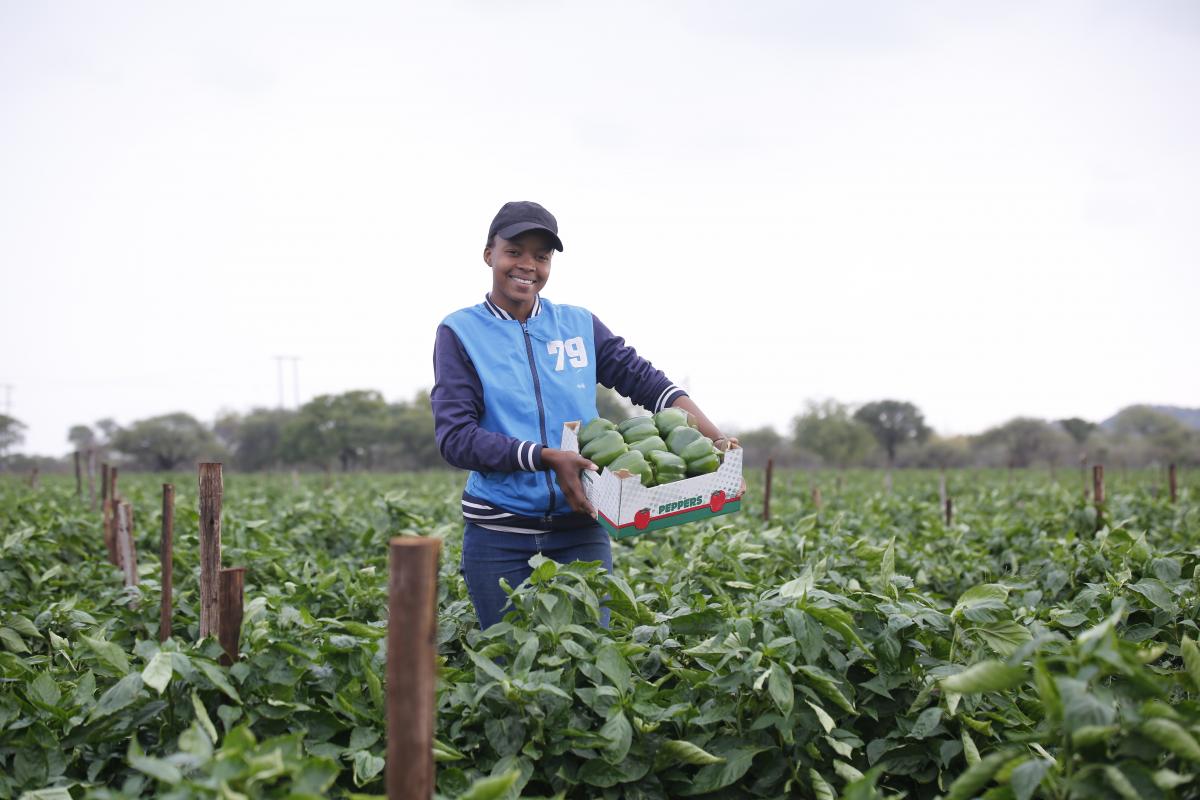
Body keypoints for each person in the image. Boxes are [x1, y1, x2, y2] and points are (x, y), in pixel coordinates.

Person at [431, 200, 734, 629]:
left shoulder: (577, 324)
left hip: (581, 526)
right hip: (499, 531)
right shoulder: (460, 332)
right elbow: (455, 438)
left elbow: (646, 381)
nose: (528, 265)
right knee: (507, 668)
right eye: (514, 251)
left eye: (541, 255)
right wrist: (545, 456)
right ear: (489, 255)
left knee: (590, 661)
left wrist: (719, 442)